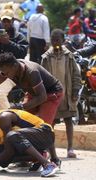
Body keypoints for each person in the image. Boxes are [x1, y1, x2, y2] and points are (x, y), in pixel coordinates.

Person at [0, 52, 63, 168]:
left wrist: (22, 107)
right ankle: (33, 155)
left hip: (51, 94)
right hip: (34, 93)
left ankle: (53, 159)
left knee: (42, 125)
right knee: (27, 123)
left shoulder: (32, 72)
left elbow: (42, 97)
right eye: (3, 73)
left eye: (6, 73)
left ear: (15, 66)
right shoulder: (9, 69)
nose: (5, 75)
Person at [0, 108, 59, 177]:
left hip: (45, 134)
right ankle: (39, 155)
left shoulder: (3, 118)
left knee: (11, 136)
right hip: (34, 142)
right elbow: (4, 156)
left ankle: (48, 164)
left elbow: (9, 150)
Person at [41, 29, 81, 158]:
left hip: (67, 95)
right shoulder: (46, 57)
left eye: (58, 40)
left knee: (68, 120)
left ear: (63, 40)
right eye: (53, 40)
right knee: (50, 122)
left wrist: (75, 90)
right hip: (52, 95)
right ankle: (48, 148)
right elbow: (42, 76)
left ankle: (70, 147)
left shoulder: (69, 56)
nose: (55, 42)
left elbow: (76, 74)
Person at [0, 9, 28, 110]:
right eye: (3, 21)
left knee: (0, 93)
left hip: (13, 74)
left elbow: (23, 52)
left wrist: (9, 43)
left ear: (12, 21)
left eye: (7, 21)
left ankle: (7, 117)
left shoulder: (19, 37)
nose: (5, 23)